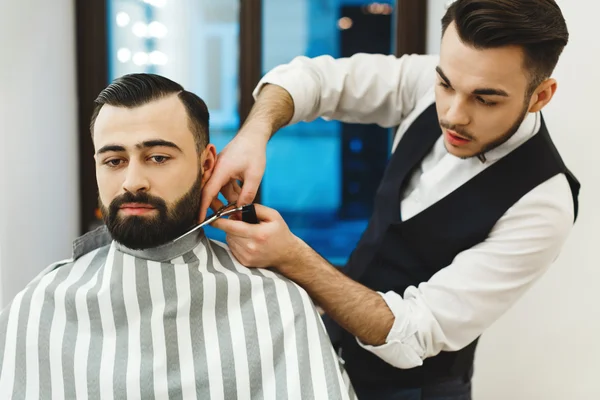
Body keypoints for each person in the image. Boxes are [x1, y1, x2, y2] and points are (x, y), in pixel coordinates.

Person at [203, 0, 581, 398]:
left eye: (485, 100)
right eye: (446, 85)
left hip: (414, 390)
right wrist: (254, 134)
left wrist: (293, 258)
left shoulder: (544, 204)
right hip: (331, 357)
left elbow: (413, 332)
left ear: (541, 95)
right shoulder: (429, 80)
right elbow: (313, 78)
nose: (453, 114)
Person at [0, 74, 357, 400]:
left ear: (206, 166)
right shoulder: (36, 309)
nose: (132, 181)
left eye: (157, 157)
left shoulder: (276, 304)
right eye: (113, 161)